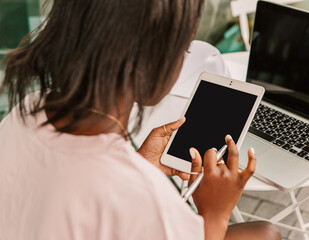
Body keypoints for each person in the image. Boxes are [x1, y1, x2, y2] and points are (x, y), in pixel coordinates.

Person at [0, 0, 281, 239]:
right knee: (268, 233)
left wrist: (139, 165)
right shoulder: (145, 199)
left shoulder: (29, 108)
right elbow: (122, 200)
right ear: (151, 61)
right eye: (184, 50)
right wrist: (215, 214)